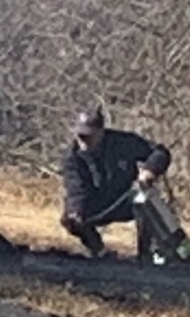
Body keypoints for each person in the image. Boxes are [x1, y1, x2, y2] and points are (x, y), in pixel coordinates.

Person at [59, 106, 172, 260]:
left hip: (126, 199)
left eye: (88, 136)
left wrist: (149, 170)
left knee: (148, 199)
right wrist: (76, 211)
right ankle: (99, 251)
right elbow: (76, 189)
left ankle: (148, 255)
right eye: (80, 136)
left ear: (101, 132)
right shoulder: (72, 157)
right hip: (97, 204)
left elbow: (160, 152)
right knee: (70, 217)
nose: (83, 141)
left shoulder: (123, 143)